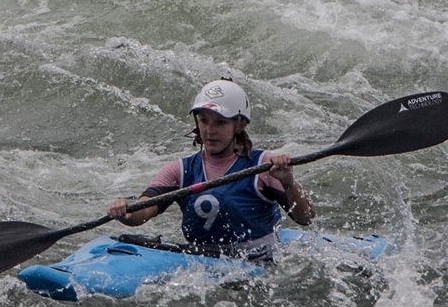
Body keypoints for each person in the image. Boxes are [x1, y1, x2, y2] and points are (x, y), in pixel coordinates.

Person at [106, 79, 315, 258]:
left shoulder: (264, 165)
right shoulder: (180, 170)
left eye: (220, 123)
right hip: (202, 261)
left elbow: (306, 218)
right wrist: (126, 211)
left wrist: (288, 183)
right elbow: (144, 211)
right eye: (204, 121)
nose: (209, 131)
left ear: (240, 124)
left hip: (258, 262)